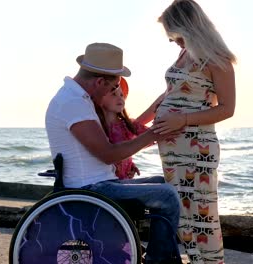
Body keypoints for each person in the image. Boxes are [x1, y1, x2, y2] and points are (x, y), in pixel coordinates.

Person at [45, 42, 181, 264]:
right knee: (167, 196)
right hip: (89, 189)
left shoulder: (78, 98)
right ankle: (159, 260)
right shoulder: (72, 103)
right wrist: (153, 135)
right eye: (113, 87)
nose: (114, 93)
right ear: (100, 82)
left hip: (98, 182)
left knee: (161, 182)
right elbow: (108, 154)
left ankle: (156, 255)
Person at [154, 1, 236, 263]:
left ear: (187, 27)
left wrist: (183, 121)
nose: (171, 40)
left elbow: (227, 108)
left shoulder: (217, 60)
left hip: (196, 148)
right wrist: (137, 122)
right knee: (180, 211)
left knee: (202, 216)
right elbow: (167, 95)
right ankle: (195, 259)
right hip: (173, 149)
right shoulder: (182, 55)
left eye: (173, 34)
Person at [96, 77, 165, 179]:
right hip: (107, 180)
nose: (120, 98)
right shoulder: (96, 126)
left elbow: (151, 135)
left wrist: (130, 164)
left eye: (122, 95)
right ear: (101, 98)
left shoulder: (129, 125)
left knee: (161, 181)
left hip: (124, 180)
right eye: (114, 94)